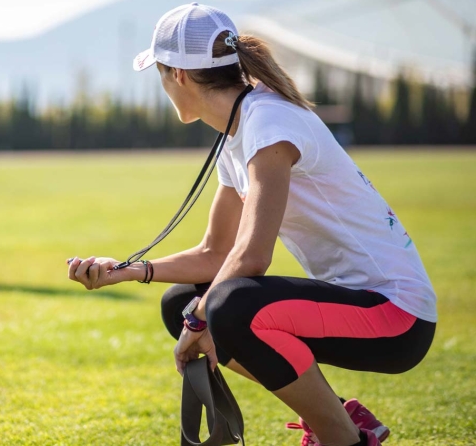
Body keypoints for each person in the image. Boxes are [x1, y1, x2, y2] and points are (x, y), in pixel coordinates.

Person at [66, 4, 436, 446]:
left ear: (178, 75)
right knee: (182, 303)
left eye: (160, 74)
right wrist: (129, 270)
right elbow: (216, 255)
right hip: (362, 305)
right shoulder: (238, 131)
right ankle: (342, 418)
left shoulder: (268, 120)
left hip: (397, 318)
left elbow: (252, 257)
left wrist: (201, 323)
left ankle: (345, 438)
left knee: (229, 305)